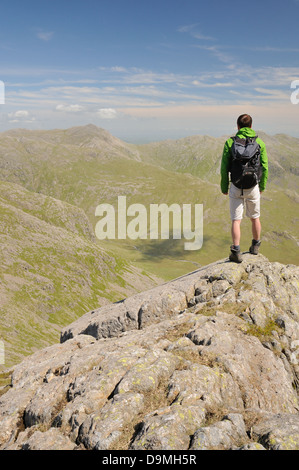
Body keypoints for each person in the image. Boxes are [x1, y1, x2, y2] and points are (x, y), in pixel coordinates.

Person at [220, 114, 268, 263]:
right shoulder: (259, 142)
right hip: (253, 185)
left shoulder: (230, 142)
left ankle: (236, 251)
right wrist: (262, 186)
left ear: (238, 127)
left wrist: (224, 186)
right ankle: (255, 246)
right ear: (251, 126)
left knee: (236, 220)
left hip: (236, 185)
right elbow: (265, 167)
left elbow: (224, 168)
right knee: (255, 217)